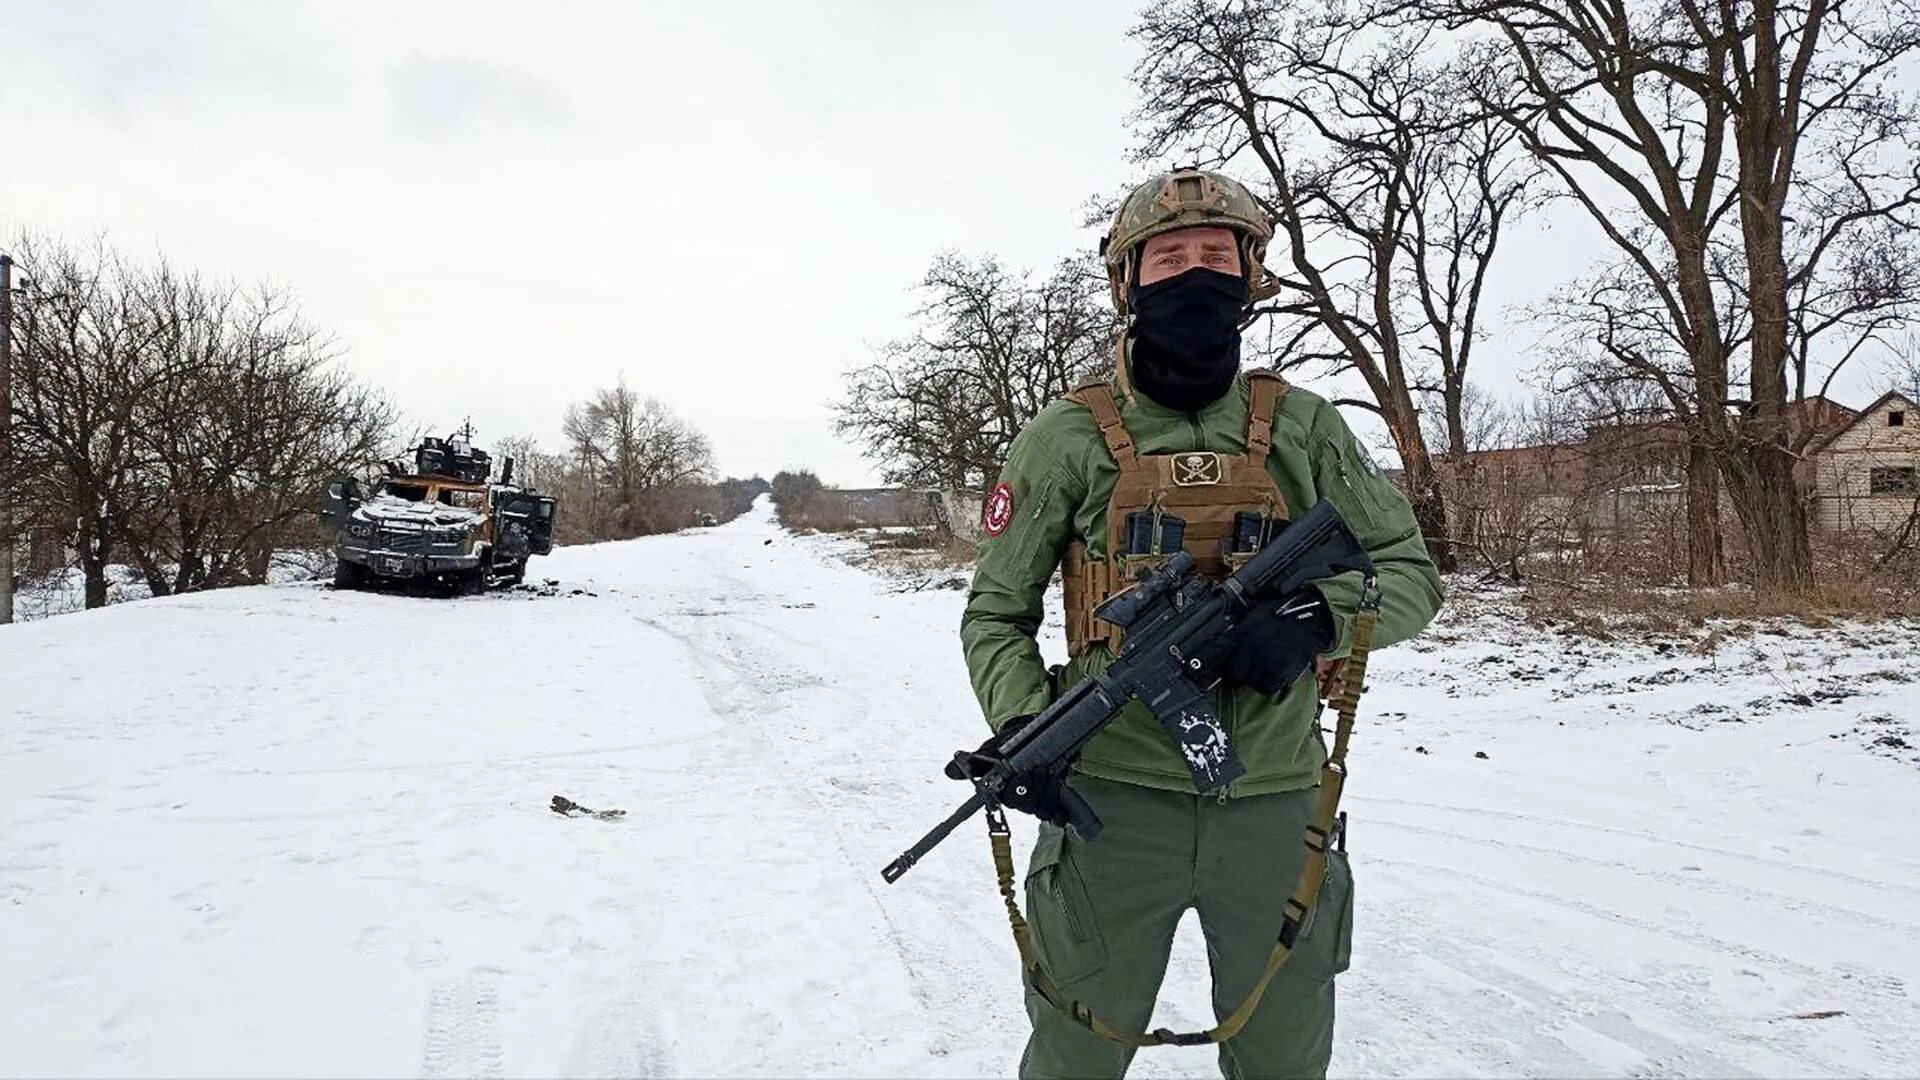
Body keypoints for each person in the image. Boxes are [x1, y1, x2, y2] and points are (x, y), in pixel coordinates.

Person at [958, 168, 1444, 1079]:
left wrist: (1316, 617)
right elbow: (996, 610)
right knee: (1074, 1054)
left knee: (1282, 1058)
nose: (1193, 275)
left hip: (1274, 804)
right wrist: (1026, 726)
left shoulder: (1304, 429)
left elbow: (1410, 574)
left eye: (1215, 256)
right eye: (1168, 259)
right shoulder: (1065, 438)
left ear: (1251, 273)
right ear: (1127, 283)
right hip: (1111, 804)